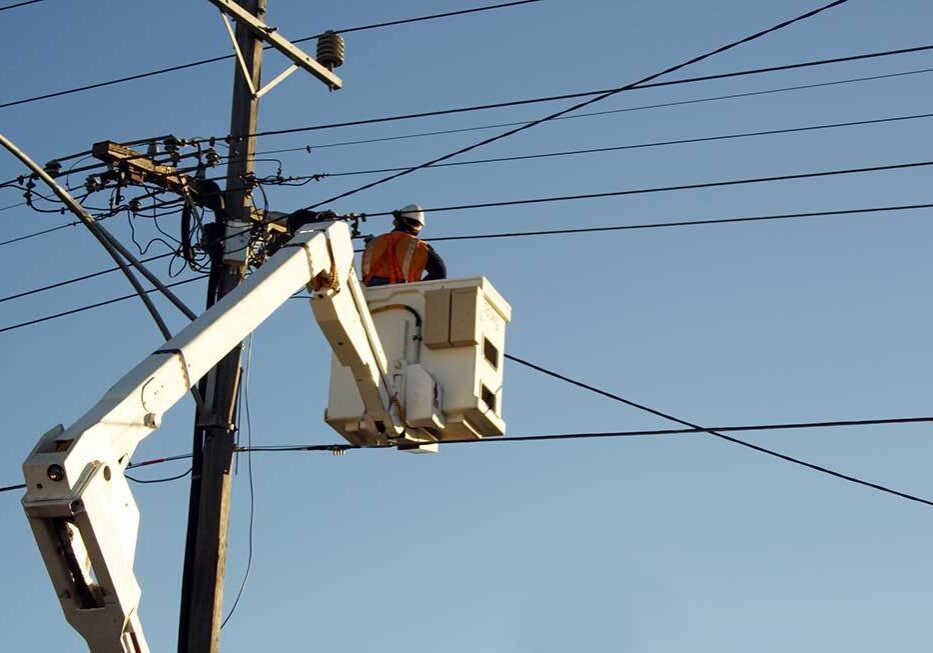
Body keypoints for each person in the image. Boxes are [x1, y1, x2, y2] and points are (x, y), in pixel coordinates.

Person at [361, 204, 447, 286]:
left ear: (396, 222)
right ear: (417, 228)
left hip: (368, 294)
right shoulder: (419, 246)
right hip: (402, 294)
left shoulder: (373, 243)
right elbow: (440, 272)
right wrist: (418, 287)